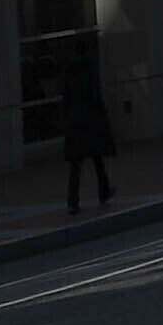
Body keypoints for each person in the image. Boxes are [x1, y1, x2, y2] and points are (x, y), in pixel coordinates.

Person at [57, 34, 117, 216]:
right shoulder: (89, 69)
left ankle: (73, 201)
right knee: (97, 159)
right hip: (89, 119)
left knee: (76, 164)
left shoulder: (69, 71)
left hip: (75, 121)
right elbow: (95, 94)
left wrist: (65, 119)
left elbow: (65, 98)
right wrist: (102, 115)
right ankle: (103, 192)